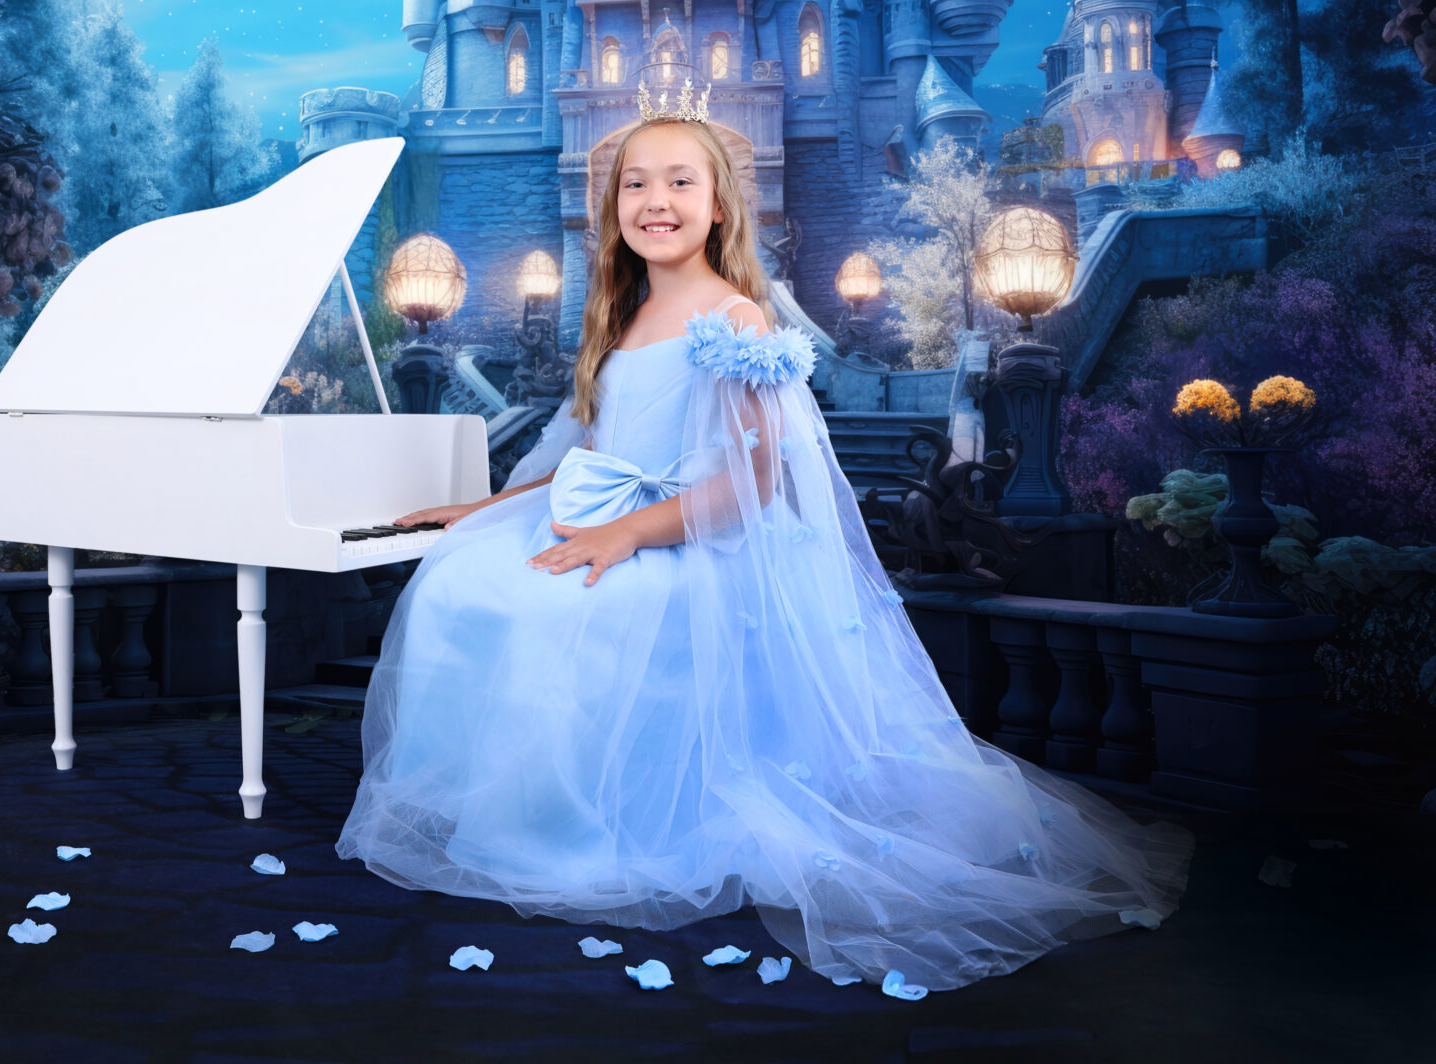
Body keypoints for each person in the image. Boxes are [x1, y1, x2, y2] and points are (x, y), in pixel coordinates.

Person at [334, 99, 1194, 992]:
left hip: (698, 536)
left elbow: (750, 486)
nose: (654, 199)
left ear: (718, 207)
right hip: (619, 511)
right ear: (611, 207)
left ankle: (599, 826)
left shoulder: (733, 318)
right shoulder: (616, 319)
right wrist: (476, 511)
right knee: (463, 581)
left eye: (679, 181)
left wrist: (627, 533)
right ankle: (525, 809)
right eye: (635, 183)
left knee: (568, 604)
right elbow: (580, 455)